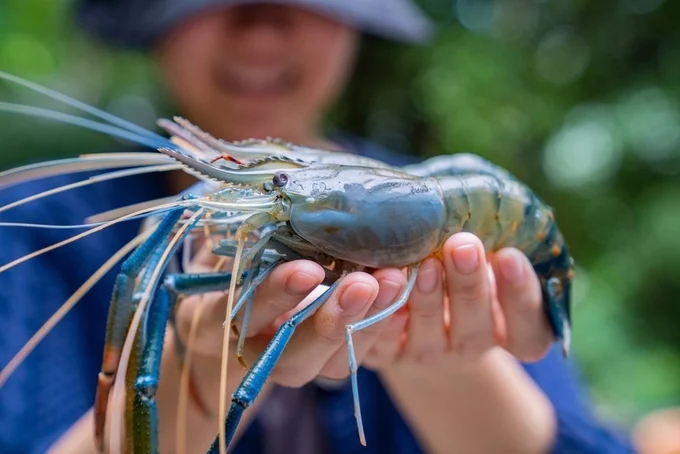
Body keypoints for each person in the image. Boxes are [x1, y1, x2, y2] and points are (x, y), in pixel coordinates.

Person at [0, 1, 636, 453]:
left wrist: (443, 363)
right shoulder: (39, 226)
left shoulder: (459, 222)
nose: (262, 24)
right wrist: (188, 383)